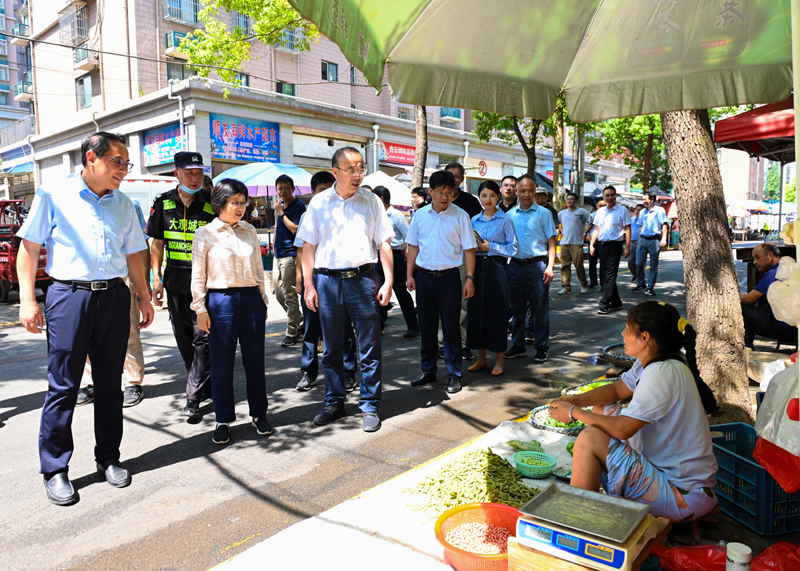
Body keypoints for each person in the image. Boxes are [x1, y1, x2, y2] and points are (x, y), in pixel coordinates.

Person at [17, 131, 155, 506]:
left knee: (110, 385)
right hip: (68, 296)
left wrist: (143, 297)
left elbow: (133, 256)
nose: (124, 169)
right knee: (64, 386)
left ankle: (108, 457)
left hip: (113, 296)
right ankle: (55, 468)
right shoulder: (53, 195)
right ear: (91, 159)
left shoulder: (124, 204)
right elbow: (28, 249)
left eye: (126, 162)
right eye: (117, 161)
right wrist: (27, 299)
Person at [549, 302, 720, 522]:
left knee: (590, 438)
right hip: (671, 478)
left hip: (683, 496)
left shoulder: (662, 373)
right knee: (600, 411)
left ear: (645, 338)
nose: (623, 333)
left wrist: (573, 412)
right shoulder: (654, 362)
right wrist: (574, 400)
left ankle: (578, 519)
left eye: (627, 328)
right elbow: (617, 389)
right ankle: (589, 495)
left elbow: (623, 430)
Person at [296, 147, 395, 433]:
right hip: (327, 283)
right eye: (350, 169)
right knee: (332, 348)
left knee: (369, 346)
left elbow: (384, 243)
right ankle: (334, 402)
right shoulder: (317, 204)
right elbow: (308, 247)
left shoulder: (372, 201)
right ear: (336, 172)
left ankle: (370, 405)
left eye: (361, 168)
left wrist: (388, 281)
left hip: (364, 281)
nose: (357, 174)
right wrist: (309, 285)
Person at [191, 179, 272, 445]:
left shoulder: (249, 230)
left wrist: (263, 299)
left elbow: (259, 269)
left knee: (255, 361)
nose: (240, 207)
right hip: (220, 301)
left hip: (250, 300)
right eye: (234, 202)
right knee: (222, 364)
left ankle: (259, 414)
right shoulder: (205, 233)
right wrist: (200, 307)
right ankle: (223, 419)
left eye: (243, 201)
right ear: (220, 203)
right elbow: (198, 275)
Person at [145, 151, 216, 419]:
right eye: (189, 173)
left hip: (206, 281)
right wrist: (156, 278)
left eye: (199, 172)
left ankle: (193, 396)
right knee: (185, 339)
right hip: (175, 279)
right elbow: (157, 243)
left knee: (203, 338)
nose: (196, 178)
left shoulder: (212, 202)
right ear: (177, 174)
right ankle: (200, 382)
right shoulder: (163, 203)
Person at [407, 170, 477, 393]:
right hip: (424, 278)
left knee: (451, 328)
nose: (444, 197)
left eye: (449, 192)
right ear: (430, 192)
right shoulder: (419, 216)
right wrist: (409, 275)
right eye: (440, 192)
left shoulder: (461, 216)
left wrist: (470, 279)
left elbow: (469, 250)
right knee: (426, 327)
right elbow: (413, 247)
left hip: (449, 279)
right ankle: (428, 370)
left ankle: (454, 373)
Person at [78, 199, 151, 408]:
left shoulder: (129, 205)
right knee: (89, 333)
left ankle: (132, 382)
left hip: (123, 277)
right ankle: (92, 382)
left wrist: (143, 284)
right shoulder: (78, 203)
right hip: (88, 278)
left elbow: (140, 246)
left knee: (129, 330)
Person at [294, 171, 359, 392]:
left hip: (339, 281)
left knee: (344, 328)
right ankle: (308, 372)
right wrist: (301, 281)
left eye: (330, 188)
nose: (327, 193)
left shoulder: (345, 211)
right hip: (314, 279)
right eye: (322, 189)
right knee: (311, 328)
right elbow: (301, 252)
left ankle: (349, 372)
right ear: (313, 192)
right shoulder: (307, 215)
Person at [466, 181, 518, 376]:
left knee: (496, 314)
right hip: (476, 268)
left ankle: (499, 361)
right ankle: (481, 359)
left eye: (492, 196)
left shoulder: (505, 220)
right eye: (484, 195)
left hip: (497, 267)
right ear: (479, 197)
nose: (488, 200)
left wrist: (491, 247)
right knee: (477, 313)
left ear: (498, 197)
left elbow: (513, 248)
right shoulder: (473, 220)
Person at [504, 174, 557, 362]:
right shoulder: (509, 215)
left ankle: (541, 346)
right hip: (516, 266)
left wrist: (550, 267)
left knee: (540, 308)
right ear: (517, 192)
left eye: (530, 190)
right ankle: (518, 345)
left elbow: (552, 241)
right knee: (516, 308)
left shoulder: (544, 213)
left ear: (535, 192)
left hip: (538, 266)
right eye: (523, 190)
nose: (527, 194)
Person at [443, 162, 482, 361]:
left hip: (462, 259)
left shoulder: (470, 203)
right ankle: (443, 343)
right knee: (443, 304)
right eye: (449, 175)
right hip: (440, 261)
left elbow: (477, 232)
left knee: (463, 305)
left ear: (462, 179)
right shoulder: (437, 200)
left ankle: (464, 344)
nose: (452, 180)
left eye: (456, 176)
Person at [372, 186, 420, 337]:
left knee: (400, 291)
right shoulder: (374, 215)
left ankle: (413, 326)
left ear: (380, 199)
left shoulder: (397, 215)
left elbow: (409, 236)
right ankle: (379, 326)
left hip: (395, 255)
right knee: (377, 290)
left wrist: (408, 258)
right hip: (377, 255)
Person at [740, 243, 798, 348]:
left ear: (770, 256)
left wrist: (729, 297)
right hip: (794, 327)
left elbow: (748, 298)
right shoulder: (787, 266)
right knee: (752, 306)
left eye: (757, 257)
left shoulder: (773, 273)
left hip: (784, 329)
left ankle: (747, 347)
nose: (754, 262)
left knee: (742, 306)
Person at [273, 174, 306, 346]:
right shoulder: (281, 205)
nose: (283, 191)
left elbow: (296, 230)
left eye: (286, 188)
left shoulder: (299, 206)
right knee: (279, 294)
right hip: (278, 254)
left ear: (293, 188)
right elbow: (279, 226)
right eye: (280, 188)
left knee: (290, 295)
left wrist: (281, 213)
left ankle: (292, 332)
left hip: (291, 254)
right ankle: (300, 321)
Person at [589, 186, 631, 314]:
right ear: (603, 197)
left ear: (616, 196)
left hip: (615, 246)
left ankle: (604, 303)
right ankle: (616, 302)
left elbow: (627, 228)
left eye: (612, 195)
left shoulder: (622, 210)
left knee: (609, 276)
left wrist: (627, 247)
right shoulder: (600, 211)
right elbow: (597, 229)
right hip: (601, 245)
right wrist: (592, 244)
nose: (610, 197)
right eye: (607, 195)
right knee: (605, 275)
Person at [557, 192, 592, 295]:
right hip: (564, 243)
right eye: (567, 199)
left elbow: (591, 222)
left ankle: (584, 284)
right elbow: (555, 223)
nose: (569, 201)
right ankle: (566, 287)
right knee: (565, 265)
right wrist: (560, 229)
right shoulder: (562, 213)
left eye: (571, 199)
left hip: (577, 242)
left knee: (578, 265)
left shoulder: (582, 212)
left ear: (576, 201)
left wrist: (585, 232)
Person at [634, 193, 668, 296]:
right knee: (638, 263)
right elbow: (640, 226)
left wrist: (664, 238)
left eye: (645, 199)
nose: (643, 201)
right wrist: (639, 240)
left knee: (653, 265)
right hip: (643, 240)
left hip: (654, 240)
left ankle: (650, 287)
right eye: (642, 199)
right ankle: (641, 283)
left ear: (652, 199)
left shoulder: (660, 210)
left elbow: (665, 225)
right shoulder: (642, 212)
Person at [585, 200, 606, 289]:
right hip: (594, 241)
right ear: (597, 206)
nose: (602, 207)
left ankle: (603, 283)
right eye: (600, 205)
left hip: (603, 241)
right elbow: (588, 230)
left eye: (604, 205)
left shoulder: (607, 215)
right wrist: (591, 243)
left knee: (603, 263)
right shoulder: (592, 215)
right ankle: (593, 282)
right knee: (592, 263)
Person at [625, 204, 644, 283]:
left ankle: (640, 279)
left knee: (639, 262)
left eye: (640, 210)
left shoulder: (645, 220)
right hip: (632, 242)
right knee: (630, 261)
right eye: (637, 210)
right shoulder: (631, 220)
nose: (638, 211)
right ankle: (635, 275)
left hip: (641, 242)